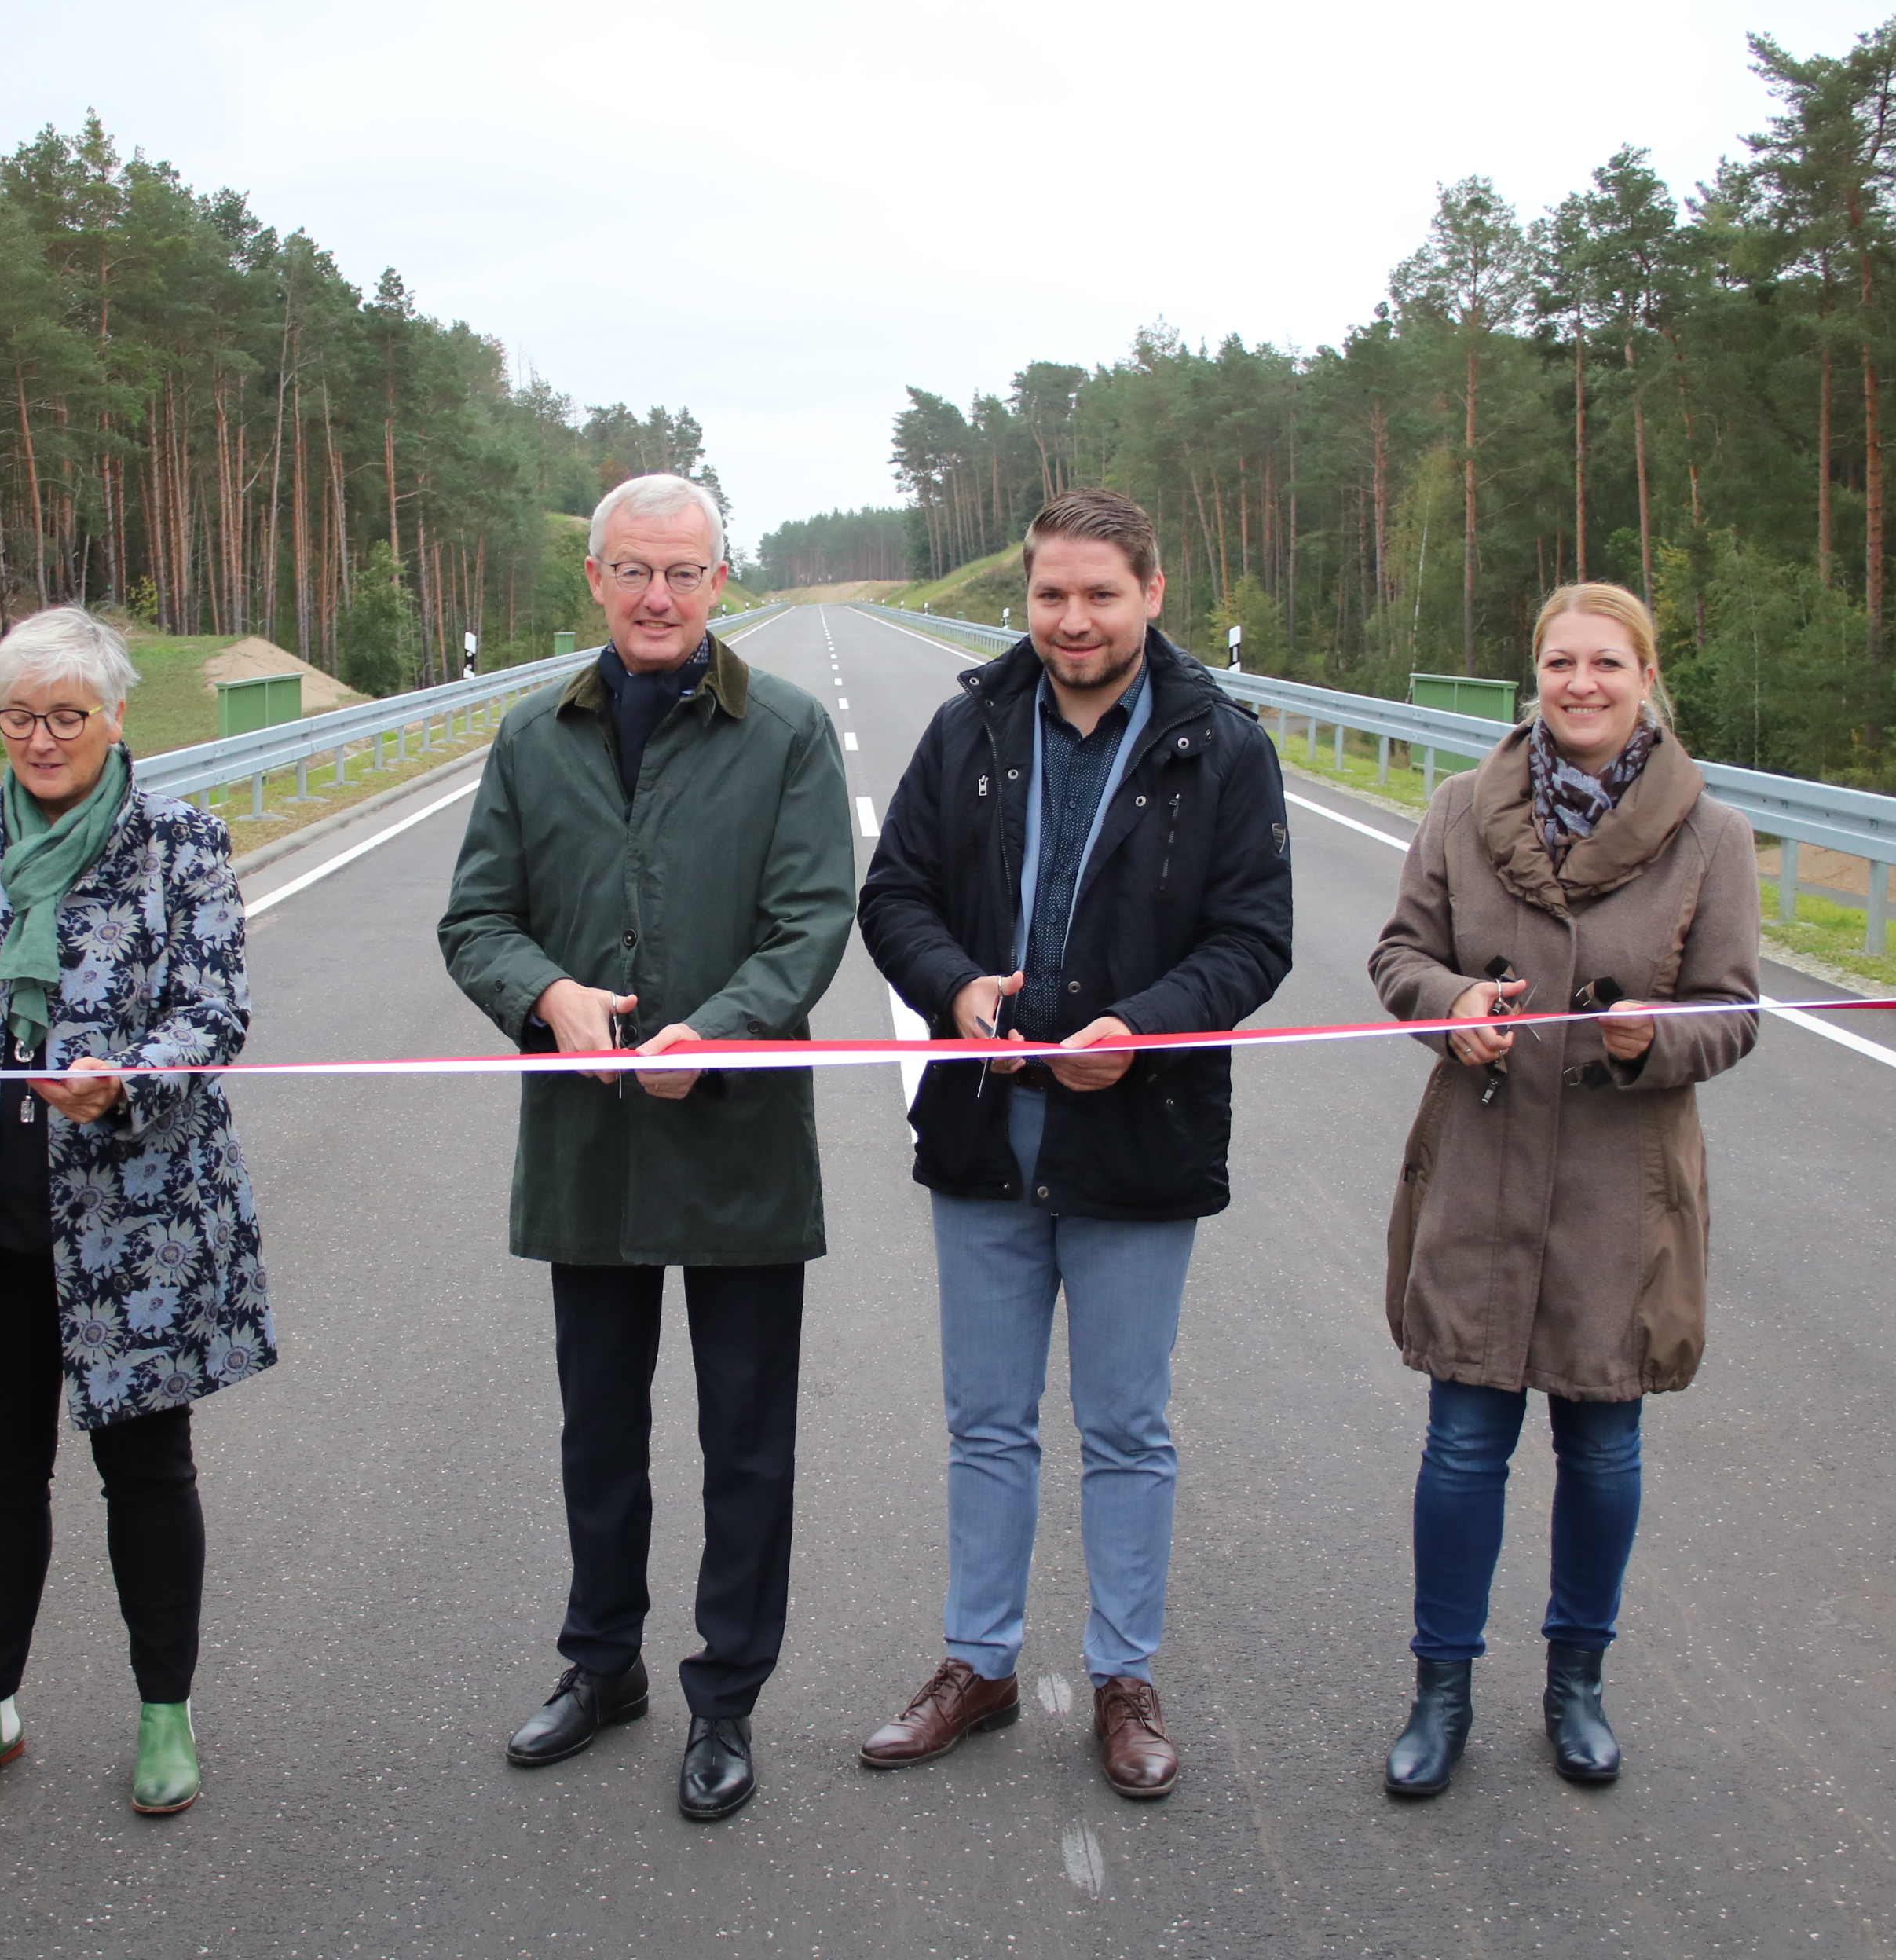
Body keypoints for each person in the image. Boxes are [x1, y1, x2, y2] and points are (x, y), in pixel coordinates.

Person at [856, 486, 1293, 1800]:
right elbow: (898, 897)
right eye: (1052, 594)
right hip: (987, 1130)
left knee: (1127, 1429)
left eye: (1101, 593)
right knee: (986, 1422)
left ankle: (1124, 1679)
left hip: (1138, 1136)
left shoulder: (1221, 746)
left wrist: (1144, 1027)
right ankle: (977, 1664)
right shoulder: (970, 724)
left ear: (1152, 595)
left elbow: (1253, 939)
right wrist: (955, 989)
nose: (1074, 619)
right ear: (1026, 599)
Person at [437, 472, 855, 1822]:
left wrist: (718, 1032)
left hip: (735, 1144)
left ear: (720, 583)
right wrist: (544, 998)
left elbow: (811, 922)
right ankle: (600, 1663)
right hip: (587, 1147)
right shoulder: (528, 736)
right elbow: (478, 920)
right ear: (597, 582)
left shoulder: (785, 731)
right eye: (634, 572)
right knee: (599, 1432)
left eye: (684, 573)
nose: (658, 597)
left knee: (745, 1441)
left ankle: (724, 1698)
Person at [0, 604, 269, 1819]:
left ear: (116, 716)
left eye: (67, 716)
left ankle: (164, 1715)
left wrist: (124, 1081)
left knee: (147, 1473)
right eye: (21, 718)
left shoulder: (180, 843)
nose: (41, 741)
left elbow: (213, 1012)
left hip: (136, 1218)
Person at [1367, 581, 1760, 1797]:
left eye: (1604, 663)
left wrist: (1655, 1040)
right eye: (1557, 665)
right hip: (1481, 1169)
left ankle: (1576, 1683)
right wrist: (1450, 1010)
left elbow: (1735, 1010)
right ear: (1531, 676)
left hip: (1618, 1185)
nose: (1579, 685)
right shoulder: (1455, 810)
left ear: (1647, 676)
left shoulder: (1712, 835)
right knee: (1463, 1442)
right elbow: (1397, 957)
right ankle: (1441, 1692)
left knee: (1602, 1444)